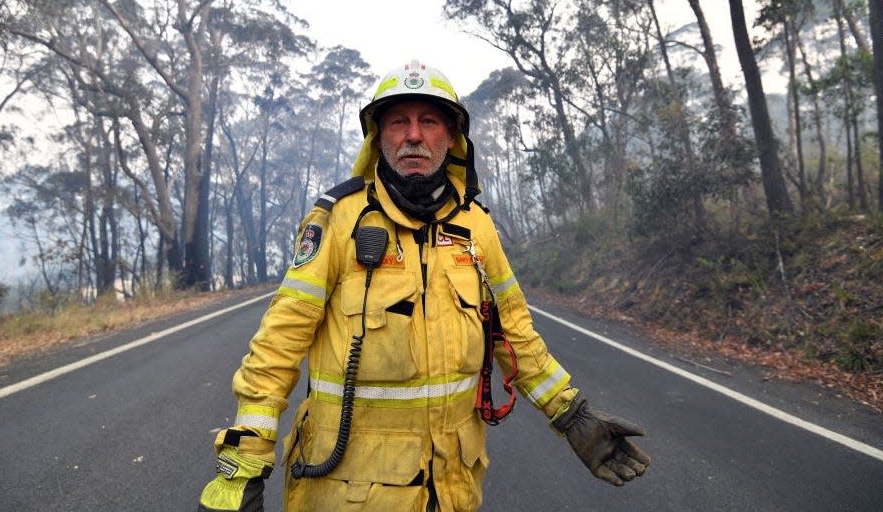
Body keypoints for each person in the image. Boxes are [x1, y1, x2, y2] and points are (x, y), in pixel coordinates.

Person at [198, 59, 651, 512]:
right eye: (399, 122)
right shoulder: (337, 221)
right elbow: (277, 344)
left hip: (451, 491)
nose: (413, 135)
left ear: (450, 136)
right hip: (348, 494)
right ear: (379, 136)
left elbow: (514, 332)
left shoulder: (478, 228)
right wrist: (242, 463)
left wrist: (571, 414)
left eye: (428, 121)